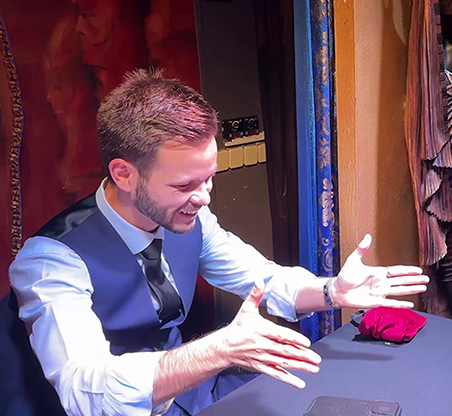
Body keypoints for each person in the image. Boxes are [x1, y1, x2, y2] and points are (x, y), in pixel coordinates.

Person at [9, 69, 429, 416]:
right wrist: (217, 350)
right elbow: (85, 392)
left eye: (209, 178)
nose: (204, 197)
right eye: (184, 185)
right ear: (124, 174)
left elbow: (265, 279)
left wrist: (332, 291)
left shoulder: (191, 219)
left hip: (196, 394)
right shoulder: (51, 260)